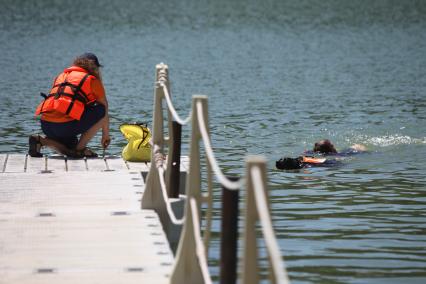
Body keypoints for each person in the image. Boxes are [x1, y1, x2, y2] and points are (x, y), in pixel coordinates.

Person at [29, 53, 110, 158]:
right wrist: (105, 135)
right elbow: (104, 109)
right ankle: (80, 150)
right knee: (101, 110)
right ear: (95, 67)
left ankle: (40, 140)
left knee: (69, 149)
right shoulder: (92, 80)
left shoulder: (61, 76)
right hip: (65, 126)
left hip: (46, 125)